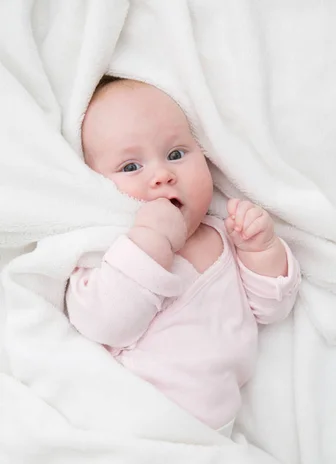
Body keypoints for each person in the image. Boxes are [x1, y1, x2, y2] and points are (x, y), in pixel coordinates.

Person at [66, 76, 301, 436]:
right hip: (132, 421)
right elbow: (106, 324)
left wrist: (262, 250)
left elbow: (272, 309)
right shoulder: (113, 250)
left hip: (215, 432)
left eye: (176, 154)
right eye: (131, 167)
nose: (162, 174)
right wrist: (152, 239)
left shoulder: (225, 235)